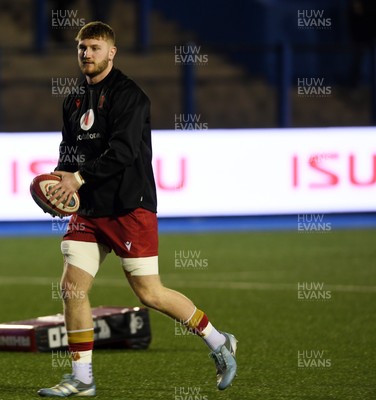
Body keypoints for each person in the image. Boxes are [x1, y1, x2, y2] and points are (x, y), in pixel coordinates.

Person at [38, 21, 237, 397]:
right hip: (90, 210)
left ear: (111, 52)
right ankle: (82, 379)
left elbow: (124, 153)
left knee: (150, 293)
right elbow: (68, 151)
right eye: (82, 48)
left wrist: (77, 179)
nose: (86, 54)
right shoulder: (73, 99)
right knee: (72, 289)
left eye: (95, 48)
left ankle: (218, 340)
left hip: (130, 206)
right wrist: (60, 184)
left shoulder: (130, 96)